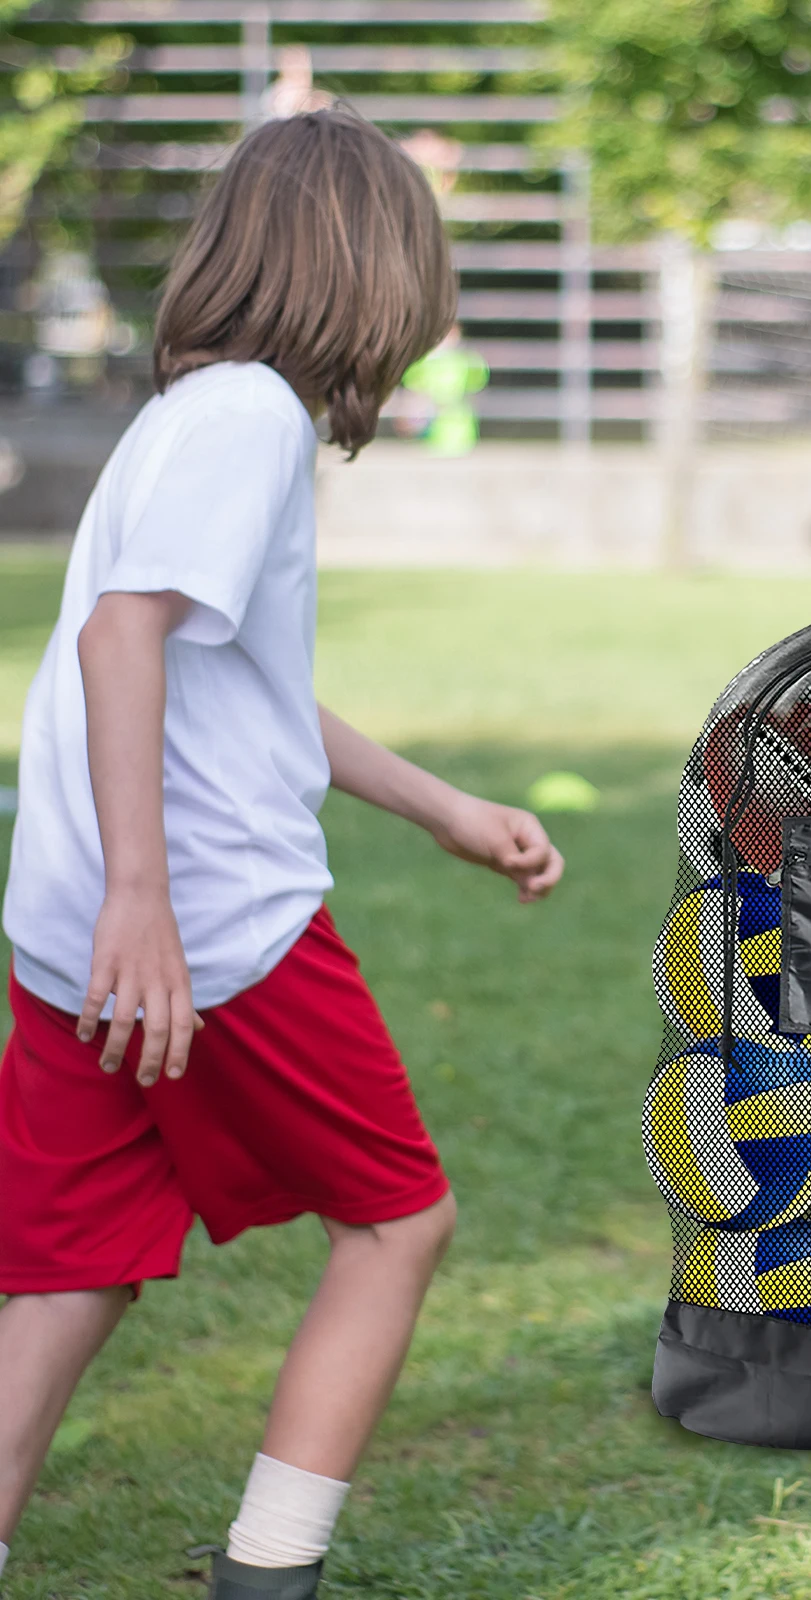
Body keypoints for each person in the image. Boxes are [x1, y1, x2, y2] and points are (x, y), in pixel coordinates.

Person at [0, 112, 564, 1599]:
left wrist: (439, 805)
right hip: (206, 925)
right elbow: (126, 637)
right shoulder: (247, 420)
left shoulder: (195, 418)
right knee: (398, 1222)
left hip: (71, 932)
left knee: (69, 1266)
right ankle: (272, 1571)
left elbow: (229, 676)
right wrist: (146, 902)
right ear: (369, 268)